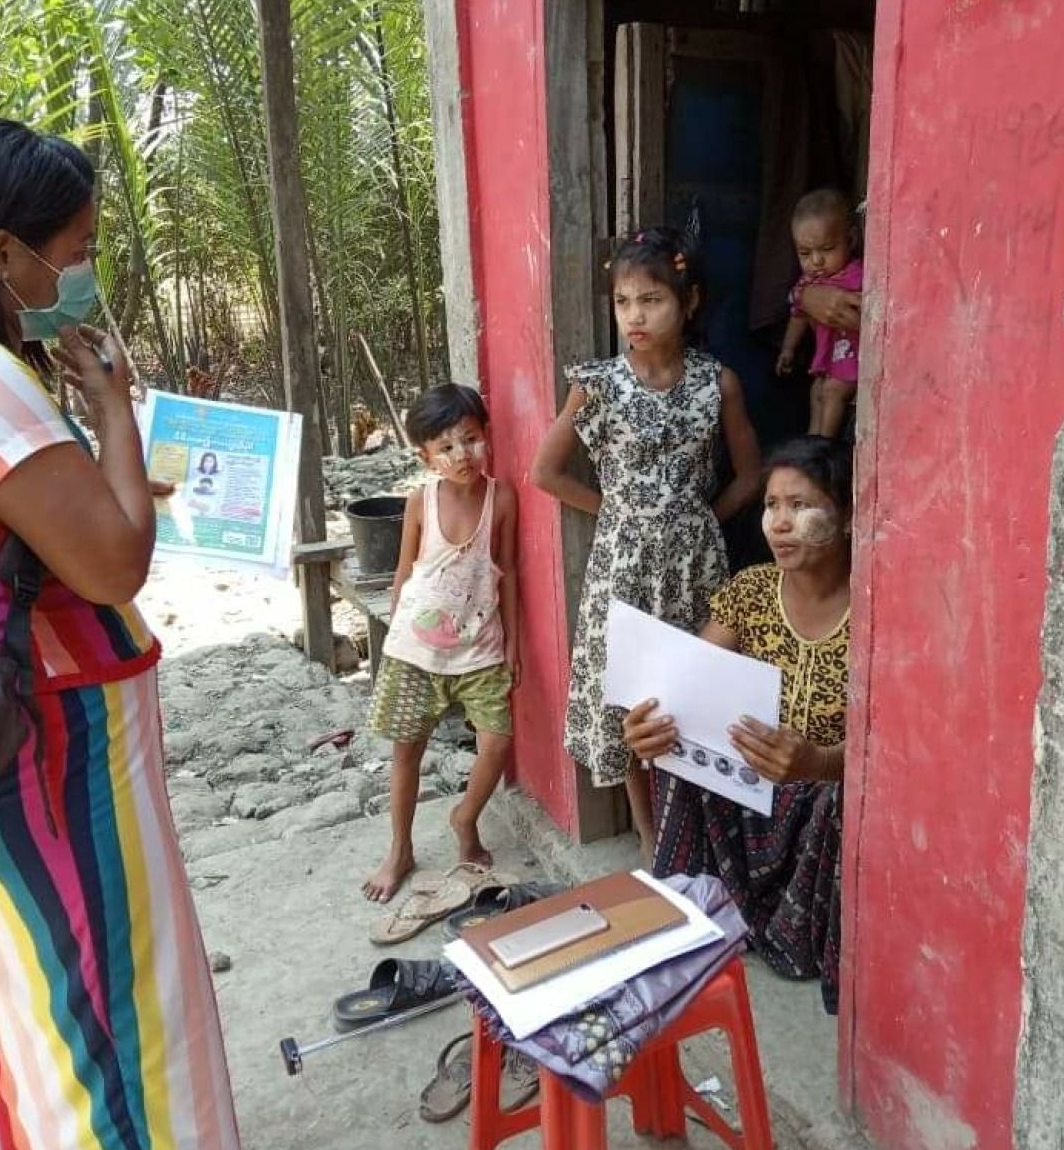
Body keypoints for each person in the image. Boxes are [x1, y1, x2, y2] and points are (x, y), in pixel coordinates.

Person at [0, 118, 239, 1150]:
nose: (84, 275)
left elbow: (38, 538)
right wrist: (115, 410)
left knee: (44, 1014)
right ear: (4, 254)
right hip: (50, 765)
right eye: (76, 251)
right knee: (115, 1019)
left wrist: (104, 475)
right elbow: (114, 564)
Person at [532, 226, 761, 865]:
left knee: (695, 689)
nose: (635, 315)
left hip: (698, 563)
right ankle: (648, 832)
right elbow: (544, 473)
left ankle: (702, 825)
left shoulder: (718, 384)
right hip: (622, 566)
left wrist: (698, 517)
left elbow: (750, 474)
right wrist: (621, 514)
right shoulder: (597, 384)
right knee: (632, 694)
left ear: (688, 303)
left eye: (652, 300)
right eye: (624, 301)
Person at [622, 437, 852, 1012]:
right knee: (677, 749)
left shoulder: (880, 605)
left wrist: (820, 762)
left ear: (848, 516)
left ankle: (797, 936)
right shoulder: (750, 593)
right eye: (772, 505)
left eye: (801, 506)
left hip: (823, 790)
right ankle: (693, 904)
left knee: (844, 798)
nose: (780, 523)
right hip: (754, 784)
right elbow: (683, 690)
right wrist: (646, 725)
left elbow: (897, 744)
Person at [364, 384, 520, 902]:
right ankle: (400, 848)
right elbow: (405, 572)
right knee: (407, 752)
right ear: (425, 456)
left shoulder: (502, 499)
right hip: (416, 651)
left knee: (496, 742)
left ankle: (464, 817)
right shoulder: (420, 501)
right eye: (447, 447)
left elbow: (510, 573)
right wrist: (392, 636)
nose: (462, 456)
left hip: (480, 647)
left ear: (486, 437)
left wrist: (515, 643)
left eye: (470, 440)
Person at [777, 189, 864, 439]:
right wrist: (788, 349)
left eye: (827, 249)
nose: (816, 261)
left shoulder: (856, 276)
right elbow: (798, 315)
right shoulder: (806, 284)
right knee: (816, 390)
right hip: (828, 361)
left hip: (851, 358)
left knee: (833, 391)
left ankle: (824, 443)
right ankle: (812, 441)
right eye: (805, 253)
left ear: (851, 240)